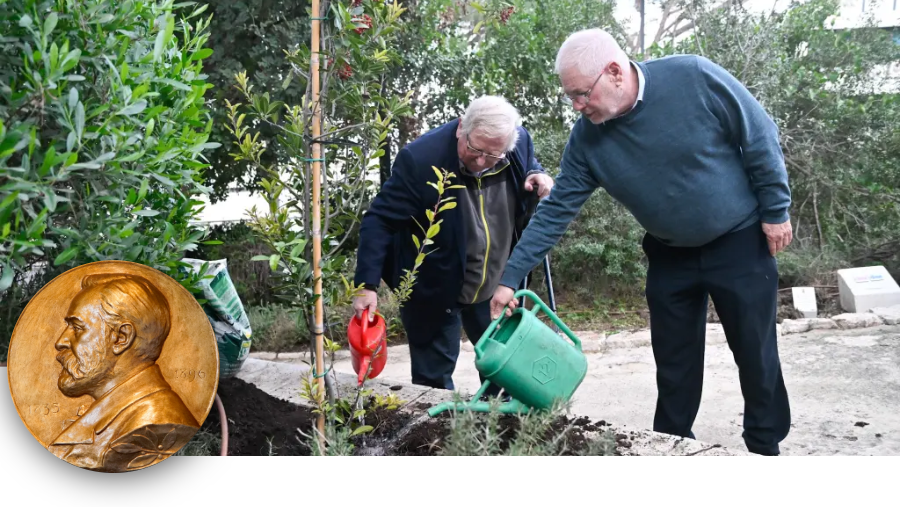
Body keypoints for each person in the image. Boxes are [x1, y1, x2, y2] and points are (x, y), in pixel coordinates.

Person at [490, 28, 793, 455]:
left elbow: (758, 134)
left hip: (739, 241)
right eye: (570, 96)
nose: (577, 106)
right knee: (673, 364)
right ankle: (669, 446)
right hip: (670, 255)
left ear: (614, 72)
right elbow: (556, 211)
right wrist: (511, 276)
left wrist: (776, 210)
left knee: (756, 354)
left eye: (581, 94)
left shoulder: (694, 77)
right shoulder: (587, 139)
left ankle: (765, 447)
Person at [353, 95, 554, 395]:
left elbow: (526, 163)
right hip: (434, 288)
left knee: (507, 373)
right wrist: (366, 285)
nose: (482, 162)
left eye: (494, 155)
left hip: (494, 287)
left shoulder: (517, 142)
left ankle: (494, 434)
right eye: (475, 150)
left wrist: (535, 172)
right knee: (433, 384)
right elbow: (379, 221)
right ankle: (439, 440)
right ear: (462, 127)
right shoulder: (420, 160)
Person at [50, 273, 199, 471]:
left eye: (77, 328)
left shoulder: (157, 429)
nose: (60, 342)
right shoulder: (124, 414)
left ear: (121, 338)